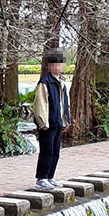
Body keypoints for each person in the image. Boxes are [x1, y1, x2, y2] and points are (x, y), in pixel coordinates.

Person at [32, 50, 71, 190]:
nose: (58, 66)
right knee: (46, 151)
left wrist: (66, 121)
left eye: (60, 64)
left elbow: (64, 103)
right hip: (47, 124)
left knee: (55, 151)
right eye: (56, 64)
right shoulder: (45, 83)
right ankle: (41, 178)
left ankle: (50, 176)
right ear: (51, 66)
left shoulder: (61, 83)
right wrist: (42, 123)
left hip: (57, 123)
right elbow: (40, 104)